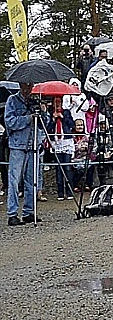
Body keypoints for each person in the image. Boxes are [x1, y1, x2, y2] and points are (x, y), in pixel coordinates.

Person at [5, 83, 49, 225]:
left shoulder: (35, 100)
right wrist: (28, 118)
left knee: (32, 180)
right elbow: (10, 122)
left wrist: (43, 112)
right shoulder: (12, 100)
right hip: (18, 145)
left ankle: (29, 212)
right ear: (20, 85)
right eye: (25, 85)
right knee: (14, 180)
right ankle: (12, 213)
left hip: (33, 144)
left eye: (30, 85)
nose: (28, 88)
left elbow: (44, 123)